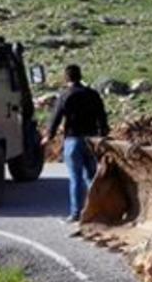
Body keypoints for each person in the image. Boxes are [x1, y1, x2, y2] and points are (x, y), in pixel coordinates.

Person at [41, 64, 109, 222]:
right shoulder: (92, 94)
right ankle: (96, 210)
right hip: (91, 141)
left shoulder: (65, 95)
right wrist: (103, 134)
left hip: (73, 140)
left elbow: (56, 118)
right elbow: (102, 117)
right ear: (80, 75)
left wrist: (48, 136)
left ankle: (76, 213)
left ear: (66, 78)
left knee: (75, 178)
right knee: (91, 176)